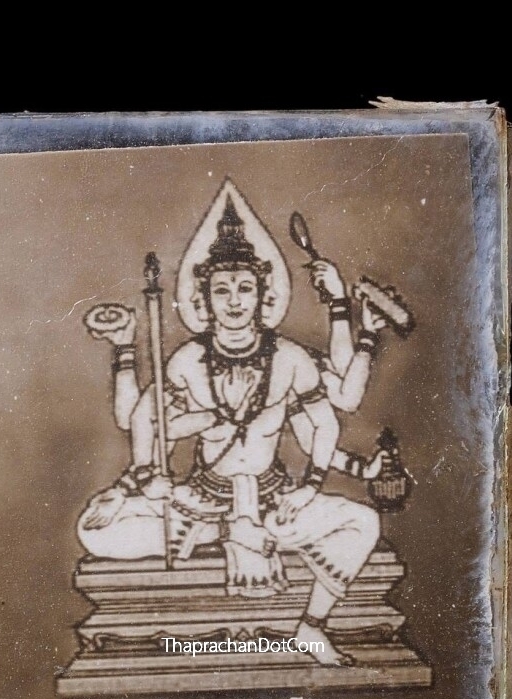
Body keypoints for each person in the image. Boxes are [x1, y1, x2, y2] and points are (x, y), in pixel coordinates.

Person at [78, 196, 384, 665]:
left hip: (274, 501)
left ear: (265, 297)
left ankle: (311, 626)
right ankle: (230, 534)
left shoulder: (289, 359)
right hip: (203, 503)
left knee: (364, 522)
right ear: (203, 301)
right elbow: (143, 417)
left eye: (245, 289)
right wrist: (142, 477)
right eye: (222, 291)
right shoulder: (187, 361)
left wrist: (310, 487)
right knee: (94, 530)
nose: (236, 301)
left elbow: (324, 423)